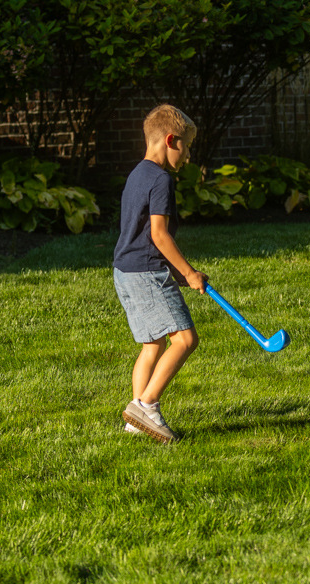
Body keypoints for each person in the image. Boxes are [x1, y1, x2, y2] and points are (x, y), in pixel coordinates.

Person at [113, 103, 207, 442]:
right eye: (188, 147)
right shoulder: (161, 180)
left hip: (125, 270)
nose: (188, 156)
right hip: (146, 274)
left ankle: (134, 420)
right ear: (172, 140)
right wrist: (190, 272)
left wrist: (175, 270)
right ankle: (147, 406)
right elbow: (158, 235)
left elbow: (138, 234)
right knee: (184, 339)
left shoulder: (138, 174)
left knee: (151, 345)